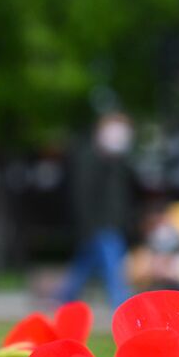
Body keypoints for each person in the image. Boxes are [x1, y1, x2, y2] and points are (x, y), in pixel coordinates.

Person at [59, 112, 135, 306]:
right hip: (99, 225)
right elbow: (82, 195)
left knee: (84, 265)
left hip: (111, 224)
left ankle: (63, 300)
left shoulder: (118, 163)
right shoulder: (89, 158)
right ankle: (123, 307)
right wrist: (88, 225)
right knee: (114, 269)